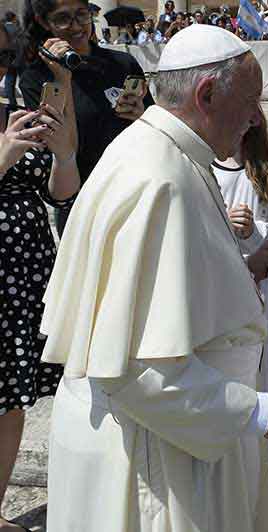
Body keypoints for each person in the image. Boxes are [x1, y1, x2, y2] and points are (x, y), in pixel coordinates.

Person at [39, 24, 268, 532]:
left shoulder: (155, 154)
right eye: (252, 100)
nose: (258, 117)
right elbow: (135, 369)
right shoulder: (160, 179)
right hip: (158, 460)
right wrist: (261, 413)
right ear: (207, 94)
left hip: (173, 443)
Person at [0, 27, 80, 532]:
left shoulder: (20, 105)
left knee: (9, 401)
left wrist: (63, 153)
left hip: (23, 272)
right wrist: (5, 154)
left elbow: (60, 193)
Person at [19, 0, 153, 235]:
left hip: (132, 193)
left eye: (82, 15)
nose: (76, 26)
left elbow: (155, 127)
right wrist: (63, 78)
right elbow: (64, 151)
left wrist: (141, 116)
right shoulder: (36, 78)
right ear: (44, 22)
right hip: (81, 204)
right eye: (62, 19)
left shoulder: (122, 63)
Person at [214, 105, 268, 253]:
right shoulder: (201, 160)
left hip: (265, 266)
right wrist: (224, 223)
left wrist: (254, 231)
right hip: (221, 262)